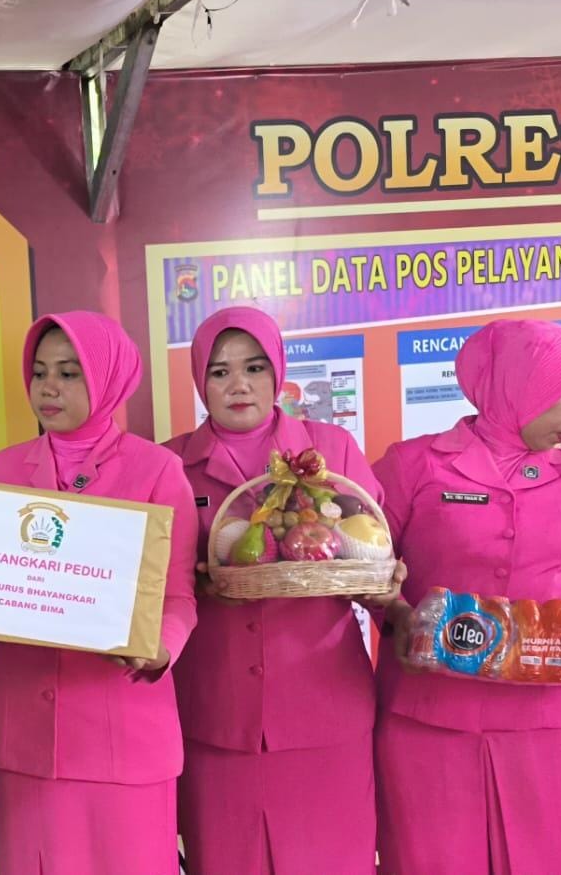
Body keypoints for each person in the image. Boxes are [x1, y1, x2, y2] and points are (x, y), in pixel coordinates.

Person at [373, 318, 561, 874]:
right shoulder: (413, 465)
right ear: (524, 384)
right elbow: (365, 563)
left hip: (557, 716)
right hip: (431, 717)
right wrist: (396, 613)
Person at [164, 306, 398, 874]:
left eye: (254, 368)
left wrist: (386, 584)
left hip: (323, 703)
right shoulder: (170, 462)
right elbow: (155, 578)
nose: (238, 385)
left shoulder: (329, 450)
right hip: (215, 711)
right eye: (219, 371)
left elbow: (368, 546)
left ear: (278, 373)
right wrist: (196, 583)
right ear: (199, 380)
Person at [0, 311, 197, 874]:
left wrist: (161, 647)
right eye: (40, 372)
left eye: (70, 373)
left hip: (122, 727)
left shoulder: (158, 470)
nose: (48, 387)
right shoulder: (3, 469)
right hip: (24, 733)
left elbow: (178, 596)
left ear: (107, 379)